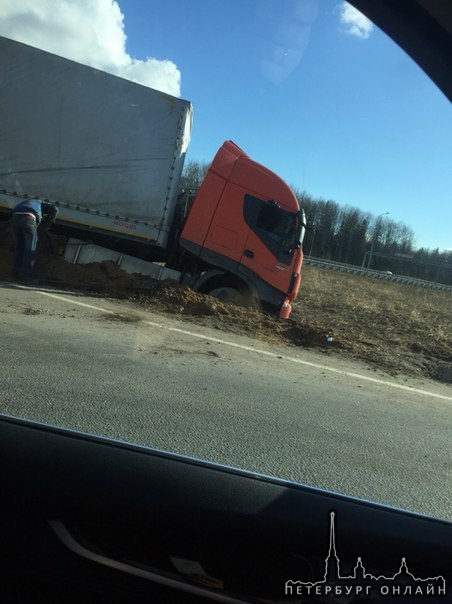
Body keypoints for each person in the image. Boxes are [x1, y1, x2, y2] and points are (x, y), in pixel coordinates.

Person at [10, 196, 58, 283]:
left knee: (19, 247)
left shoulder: (28, 202)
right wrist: (47, 224)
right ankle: (27, 276)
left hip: (15, 218)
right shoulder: (42, 204)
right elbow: (54, 209)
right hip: (29, 218)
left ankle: (14, 274)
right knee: (30, 249)